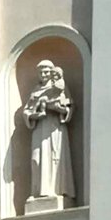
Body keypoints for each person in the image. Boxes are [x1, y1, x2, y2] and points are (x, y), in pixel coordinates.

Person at [22, 61, 76, 204]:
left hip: (54, 128)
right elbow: (27, 111)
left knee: (54, 157)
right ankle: (37, 192)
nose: (43, 74)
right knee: (36, 160)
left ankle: (56, 191)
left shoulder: (60, 87)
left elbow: (69, 107)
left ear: (52, 72)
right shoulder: (35, 90)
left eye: (46, 72)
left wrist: (58, 108)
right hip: (39, 128)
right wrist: (33, 115)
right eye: (41, 72)